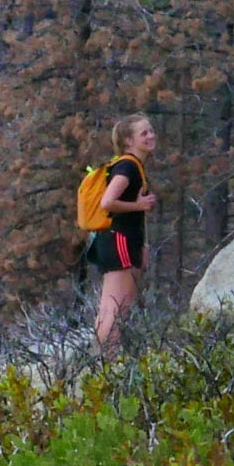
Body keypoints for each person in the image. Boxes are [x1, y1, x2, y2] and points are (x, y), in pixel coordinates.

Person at [90, 113, 158, 354]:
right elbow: (108, 202)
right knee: (114, 306)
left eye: (151, 131)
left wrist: (143, 246)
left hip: (125, 240)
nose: (151, 136)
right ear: (128, 141)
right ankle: (104, 362)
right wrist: (138, 206)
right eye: (144, 133)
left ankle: (106, 358)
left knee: (121, 305)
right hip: (119, 240)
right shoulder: (127, 166)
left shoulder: (133, 165)